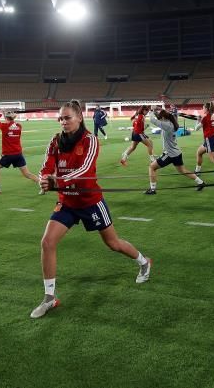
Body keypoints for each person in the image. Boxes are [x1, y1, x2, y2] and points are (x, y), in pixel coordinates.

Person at [32, 100, 152, 319]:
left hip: (90, 202)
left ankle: (144, 262)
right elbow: (47, 165)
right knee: (47, 242)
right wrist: (44, 179)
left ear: (79, 117)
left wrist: (57, 180)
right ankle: (49, 298)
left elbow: (84, 170)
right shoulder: (55, 141)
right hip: (67, 202)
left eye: (67, 117)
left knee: (113, 243)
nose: (63, 121)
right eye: (60, 118)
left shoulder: (90, 140)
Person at [144, 106, 205, 194]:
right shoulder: (170, 123)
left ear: (164, 118)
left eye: (161, 118)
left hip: (169, 154)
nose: (160, 119)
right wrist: (157, 110)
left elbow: (153, 120)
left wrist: (151, 111)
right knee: (182, 170)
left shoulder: (166, 125)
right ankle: (201, 183)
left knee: (152, 167)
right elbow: (158, 118)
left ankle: (153, 189)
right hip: (177, 153)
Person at [0, 111, 40, 195]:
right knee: (27, 174)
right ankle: (42, 183)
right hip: (18, 154)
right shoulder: (19, 126)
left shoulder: (4, 126)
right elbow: (13, 123)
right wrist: (11, 116)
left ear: (5, 118)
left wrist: (0, 113)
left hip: (8, 155)